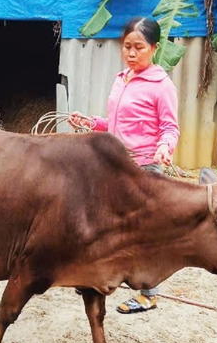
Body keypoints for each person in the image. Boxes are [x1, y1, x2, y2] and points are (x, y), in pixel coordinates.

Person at [69, 16, 180, 314]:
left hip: (143, 167)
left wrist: (164, 147)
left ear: (154, 48)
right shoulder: (122, 79)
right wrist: (91, 122)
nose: (131, 53)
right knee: (103, 224)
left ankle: (148, 294)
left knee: (140, 231)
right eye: (126, 46)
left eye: (138, 47)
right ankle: (96, 276)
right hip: (114, 166)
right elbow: (115, 124)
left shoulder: (161, 85)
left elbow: (170, 128)